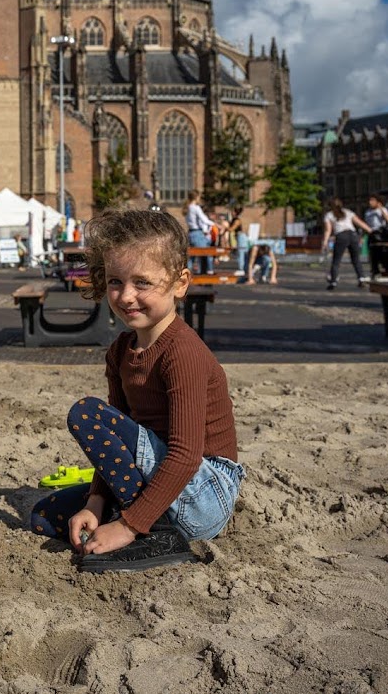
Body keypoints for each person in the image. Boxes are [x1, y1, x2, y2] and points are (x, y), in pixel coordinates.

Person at [29, 208, 244, 572]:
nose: (126, 296)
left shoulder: (183, 352)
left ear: (180, 283)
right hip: (158, 480)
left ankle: (154, 533)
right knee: (46, 517)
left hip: (205, 493)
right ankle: (144, 522)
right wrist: (96, 502)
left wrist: (127, 527)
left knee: (86, 414)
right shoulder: (120, 352)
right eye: (116, 281)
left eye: (142, 283)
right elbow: (114, 443)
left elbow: (185, 455)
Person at [322, 198, 372, 289]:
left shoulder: (329, 215)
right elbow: (359, 223)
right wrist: (370, 231)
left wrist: (325, 241)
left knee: (336, 260)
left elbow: (328, 230)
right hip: (353, 235)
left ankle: (333, 281)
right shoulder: (348, 212)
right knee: (356, 259)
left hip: (341, 236)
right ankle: (361, 278)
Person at [362, 194, 388, 281]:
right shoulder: (368, 212)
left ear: (377, 202)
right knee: (372, 254)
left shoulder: (382, 210)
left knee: (382, 253)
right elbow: (366, 224)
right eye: (369, 200)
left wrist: (381, 208)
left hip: (380, 233)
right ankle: (375, 272)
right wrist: (364, 235)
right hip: (371, 233)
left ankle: (385, 271)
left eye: (372, 200)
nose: (370, 202)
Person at [183, 191, 214, 274]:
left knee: (191, 256)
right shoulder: (196, 208)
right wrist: (215, 224)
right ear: (196, 197)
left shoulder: (187, 207)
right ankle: (206, 273)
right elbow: (204, 220)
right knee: (204, 254)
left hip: (190, 233)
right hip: (197, 233)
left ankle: (187, 274)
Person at [228, 206, 249, 277]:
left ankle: (241, 269)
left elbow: (232, 229)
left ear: (235, 212)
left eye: (232, 211)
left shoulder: (237, 220)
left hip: (241, 237)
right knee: (241, 253)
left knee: (241, 253)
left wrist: (225, 227)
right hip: (238, 237)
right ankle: (244, 268)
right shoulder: (233, 219)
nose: (231, 213)